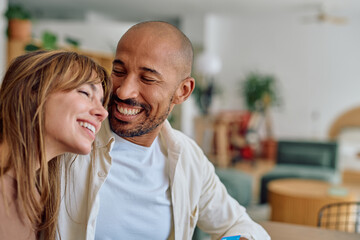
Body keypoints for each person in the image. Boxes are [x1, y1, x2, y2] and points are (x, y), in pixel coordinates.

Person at [58, 21, 270, 240]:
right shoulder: (69, 139)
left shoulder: (187, 157)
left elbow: (241, 225)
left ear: (183, 91)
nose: (123, 91)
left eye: (147, 78)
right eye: (119, 71)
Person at [0, 50, 111, 240]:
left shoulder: (35, 198)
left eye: (101, 103)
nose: (103, 113)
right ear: (32, 93)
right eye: (85, 93)